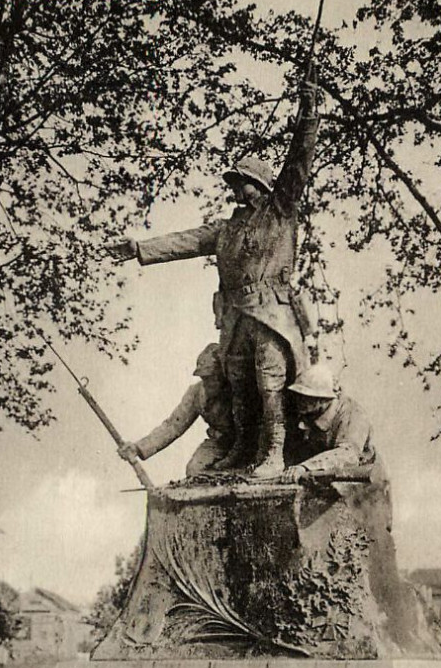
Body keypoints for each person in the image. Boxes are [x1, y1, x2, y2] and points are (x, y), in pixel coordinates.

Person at [112, 65, 319, 479]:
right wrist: (140, 249)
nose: (237, 191)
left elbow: (298, 163)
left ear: (262, 186)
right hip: (235, 318)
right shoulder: (226, 229)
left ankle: (274, 452)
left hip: (272, 316)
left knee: (270, 382)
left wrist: (308, 112)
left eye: (244, 183)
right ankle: (244, 448)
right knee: (240, 386)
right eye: (235, 184)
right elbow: (188, 241)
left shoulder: (280, 212)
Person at [116, 343, 235, 478]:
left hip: (246, 444)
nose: (207, 383)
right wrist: (138, 448)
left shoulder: (238, 391)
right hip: (220, 443)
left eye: (212, 377)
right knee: (194, 470)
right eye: (204, 378)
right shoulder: (196, 394)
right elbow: (173, 425)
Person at [281, 364, 385, 485]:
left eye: (306, 397)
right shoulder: (308, 413)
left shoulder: (353, 414)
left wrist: (305, 467)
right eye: (298, 396)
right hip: (325, 478)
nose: (299, 401)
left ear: (323, 398)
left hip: (364, 482)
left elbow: (349, 454)